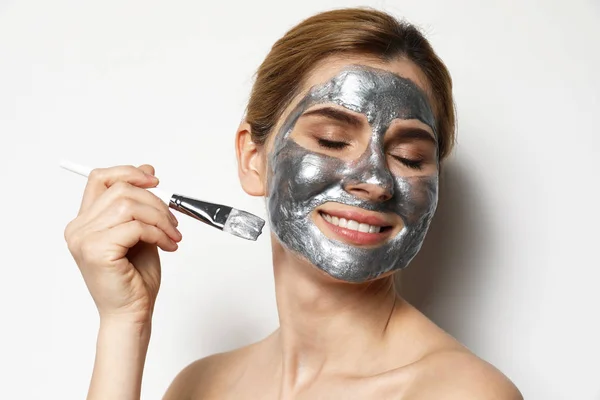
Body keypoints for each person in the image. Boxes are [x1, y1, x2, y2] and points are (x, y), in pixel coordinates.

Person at [64, 7, 522, 399]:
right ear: (253, 158)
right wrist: (125, 323)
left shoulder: (462, 392)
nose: (376, 181)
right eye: (332, 139)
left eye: (409, 156)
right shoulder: (201, 386)